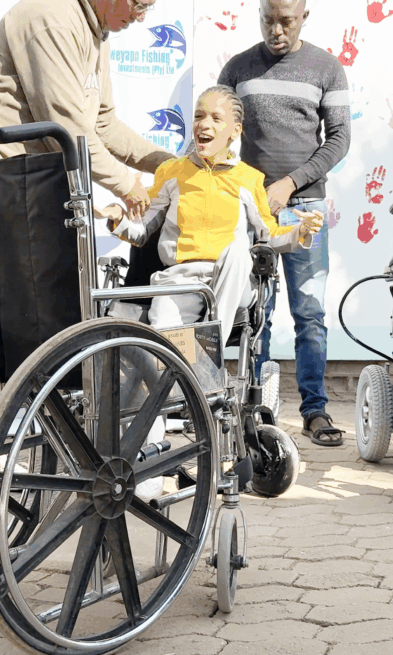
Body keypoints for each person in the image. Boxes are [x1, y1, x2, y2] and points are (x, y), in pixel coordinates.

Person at [96, 85, 323, 500]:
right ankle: (151, 458)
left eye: (216, 118)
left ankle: (206, 357)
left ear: (234, 130)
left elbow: (269, 236)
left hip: (227, 284)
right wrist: (114, 219)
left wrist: (298, 234)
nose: (204, 124)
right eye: (200, 115)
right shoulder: (173, 173)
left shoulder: (248, 180)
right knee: (156, 346)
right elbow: (143, 231)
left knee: (240, 250)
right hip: (181, 282)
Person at [218, 0, 351, 446]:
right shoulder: (238, 68)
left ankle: (315, 411)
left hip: (305, 209)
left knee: (309, 314)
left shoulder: (327, 68)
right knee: (256, 315)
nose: (276, 30)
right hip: (252, 213)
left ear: (304, 17)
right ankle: (254, 411)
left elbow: (339, 139)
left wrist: (290, 184)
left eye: (286, 22)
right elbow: (219, 130)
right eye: (268, 20)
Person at [0, 0, 172, 218]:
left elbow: (104, 125)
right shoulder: (53, 19)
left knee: (50, 258)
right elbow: (65, 128)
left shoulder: (96, 32)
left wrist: (171, 166)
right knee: (11, 259)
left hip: (24, 173)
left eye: (148, 9)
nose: (141, 17)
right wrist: (126, 184)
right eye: (139, 5)